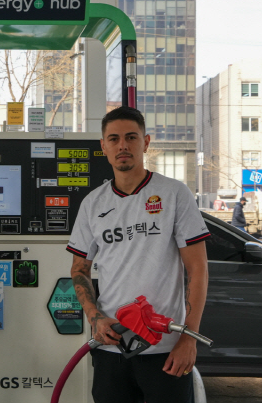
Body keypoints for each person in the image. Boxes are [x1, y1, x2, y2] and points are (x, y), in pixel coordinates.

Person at [66, 106, 210, 403]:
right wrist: (95, 318)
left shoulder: (174, 193)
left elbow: (198, 269)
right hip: (111, 347)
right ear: (103, 146)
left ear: (145, 142)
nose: (123, 145)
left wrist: (188, 338)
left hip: (166, 349)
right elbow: (79, 269)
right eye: (114, 139)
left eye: (131, 137)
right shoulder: (93, 204)